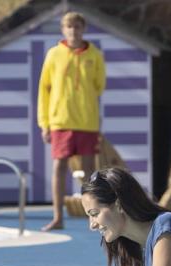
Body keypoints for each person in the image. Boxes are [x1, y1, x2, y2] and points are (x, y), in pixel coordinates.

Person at [37, 11, 106, 232]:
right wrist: (44, 123)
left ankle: (92, 217)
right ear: (63, 30)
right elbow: (44, 90)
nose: (73, 31)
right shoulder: (54, 54)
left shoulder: (94, 55)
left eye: (77, 26)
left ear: (83, 29)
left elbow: (99, 85)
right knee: (59, 167)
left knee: (88, 171)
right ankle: (58, 217)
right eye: (69, 27)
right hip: (60, 121)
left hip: (87, 121)